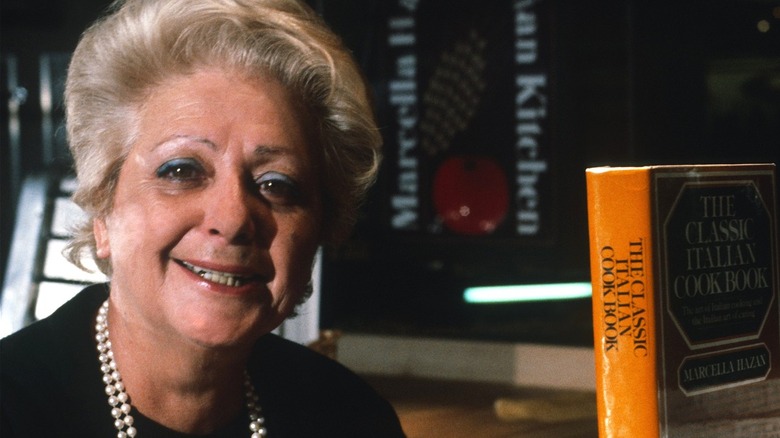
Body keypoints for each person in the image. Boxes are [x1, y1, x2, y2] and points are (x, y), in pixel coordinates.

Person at [0, 0, 406, 436]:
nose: (233, 219)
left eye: (276, 184)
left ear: (321, 229)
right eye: (181, 171)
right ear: (103, 211)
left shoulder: (354, 419)